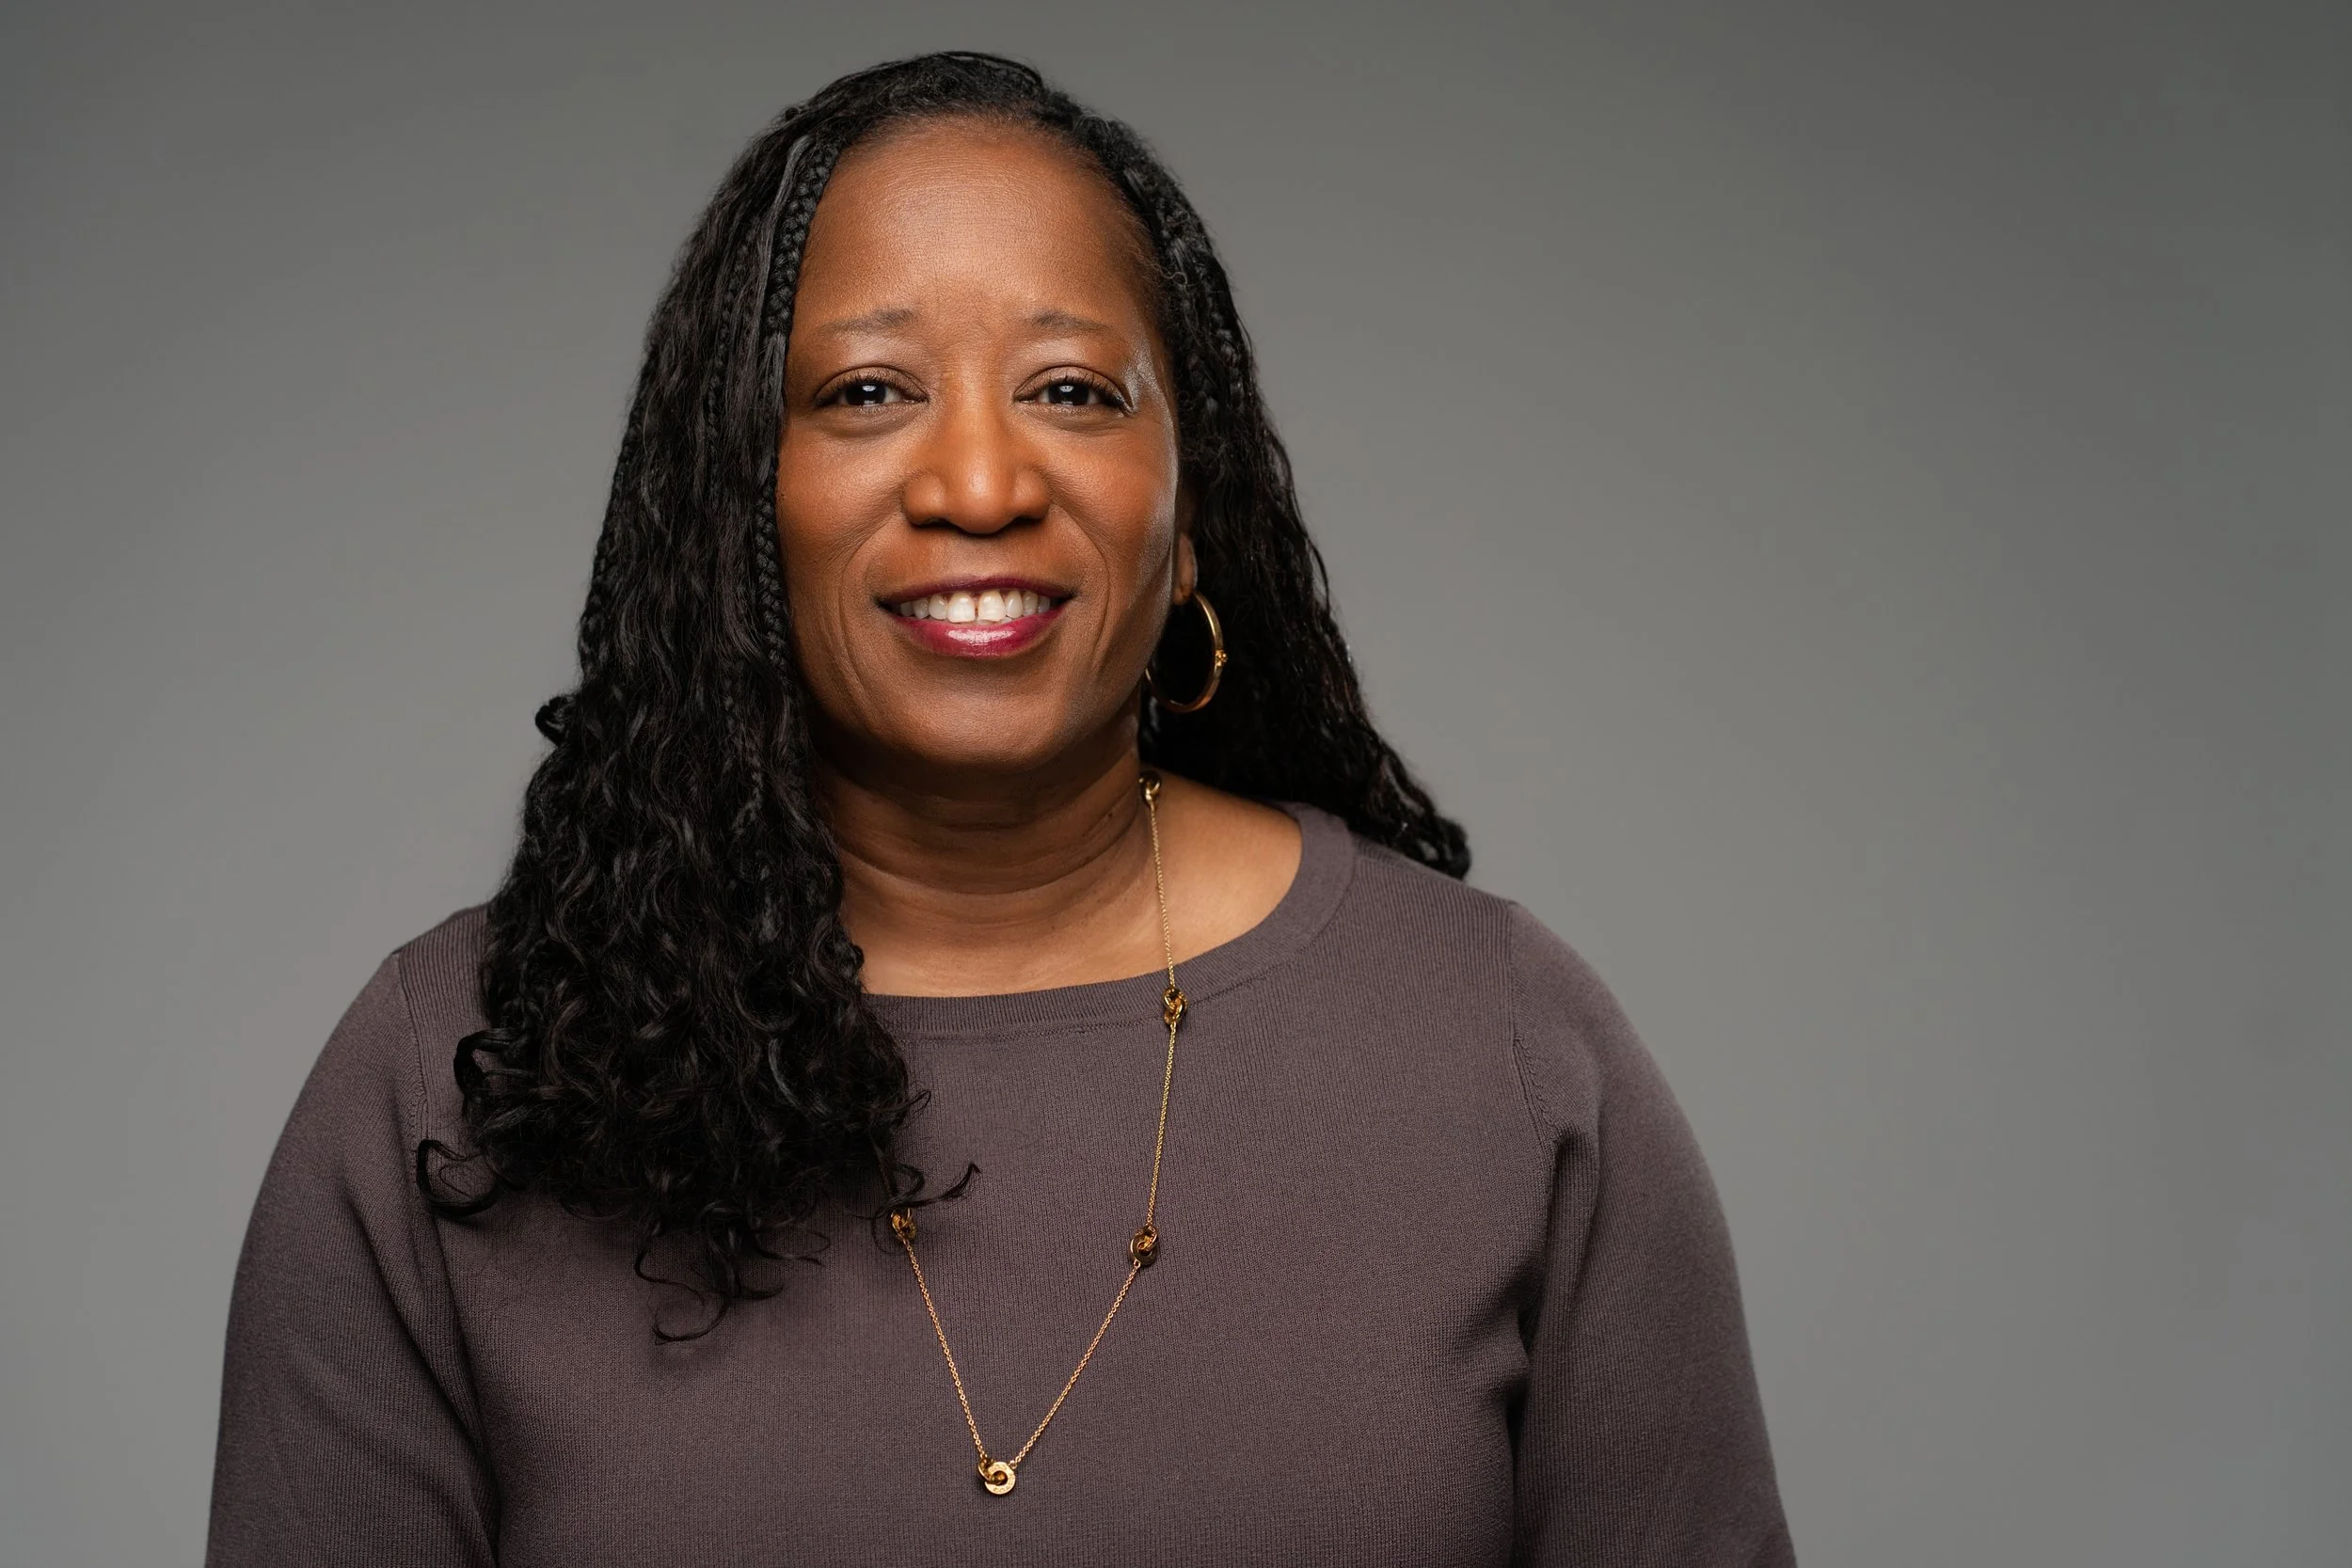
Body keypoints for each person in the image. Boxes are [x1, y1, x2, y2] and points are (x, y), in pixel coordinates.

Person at [206, 52, 1793, 1567]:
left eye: (1076, 390)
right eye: (870, 389)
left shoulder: (1509, 1054)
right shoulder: (445, 1082)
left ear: (1190, 516)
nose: (980, 480)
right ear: (736, 508)